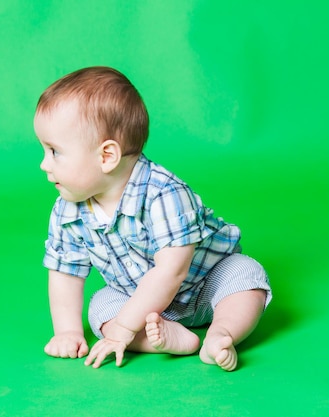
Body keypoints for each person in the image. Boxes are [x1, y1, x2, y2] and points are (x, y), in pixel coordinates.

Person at [34, 66, 272, 371]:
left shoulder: (163, 192)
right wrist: (67, 331)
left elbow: (171, 271)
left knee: (246, 275)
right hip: (137, 300)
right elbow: (65, 273)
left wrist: (124, 327)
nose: (44, 164)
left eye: (54, 151)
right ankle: (168, 339)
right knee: (101, 307)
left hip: (203, 285)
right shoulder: (67, 210)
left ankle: (221, 334)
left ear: (107, 156)